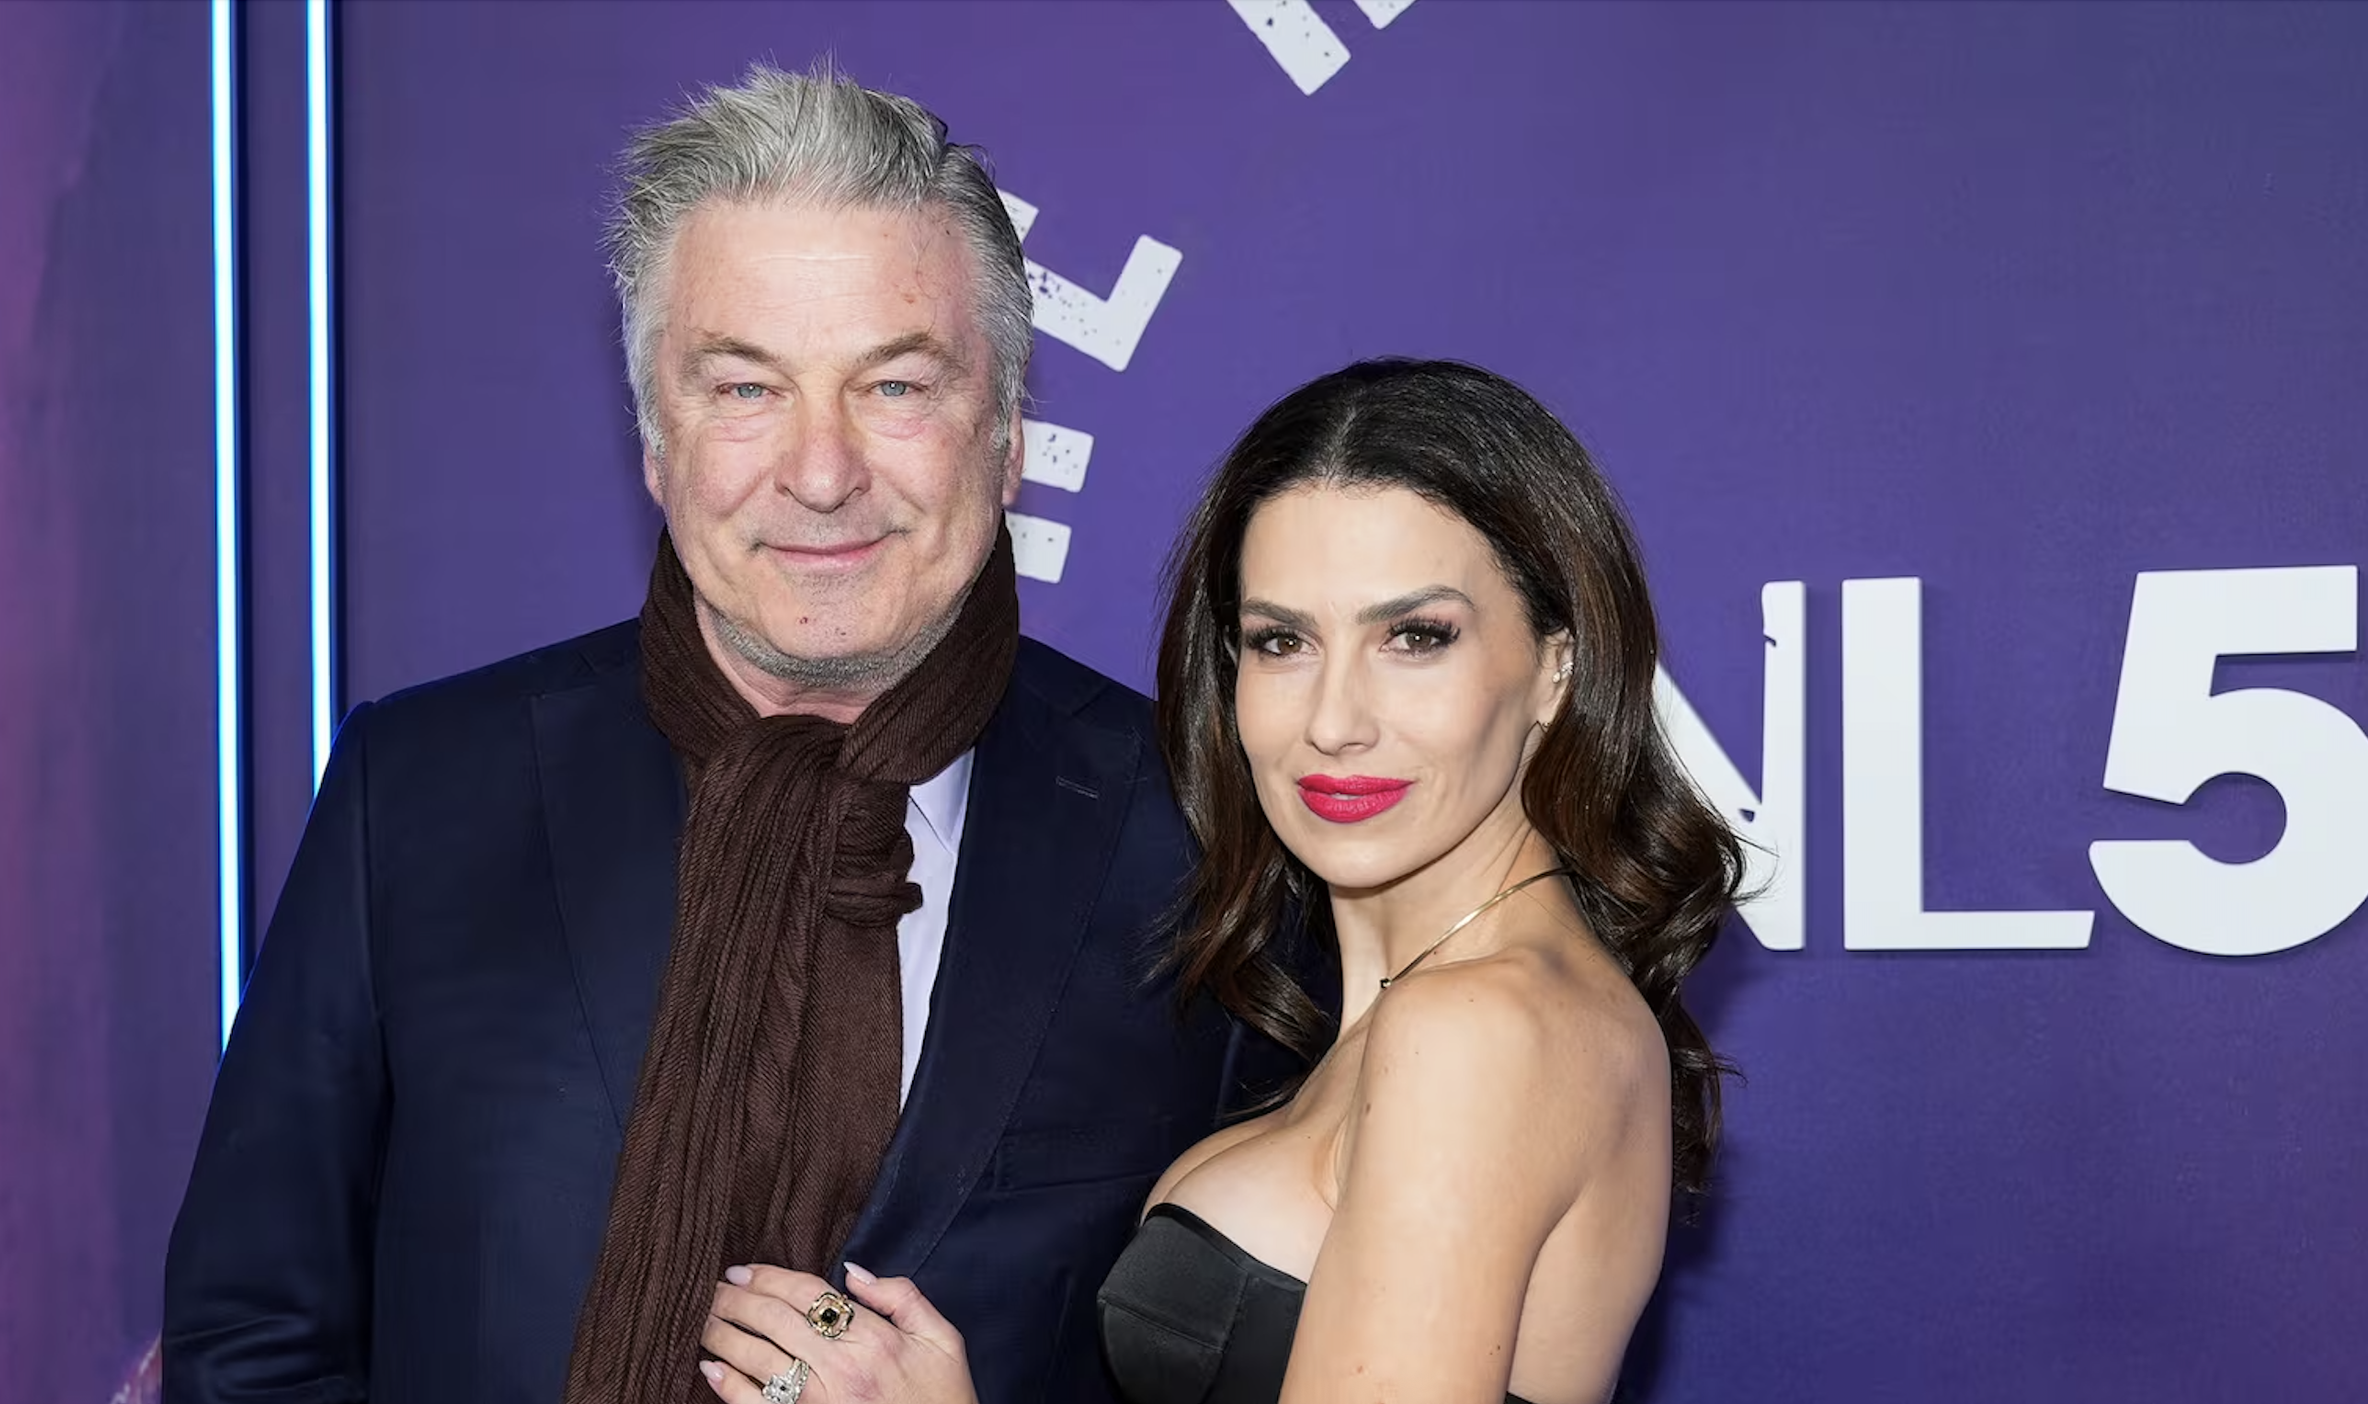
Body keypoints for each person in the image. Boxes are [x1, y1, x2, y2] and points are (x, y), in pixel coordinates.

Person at [162, 64, 1286, 1404]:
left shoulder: (1200, 832)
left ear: (1007, 441)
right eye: (745, 387)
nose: (820, 474)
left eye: (896, 386)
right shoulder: (421, 796)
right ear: (654, 438)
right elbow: (253, 1341)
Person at [1101, 358, 1746, 1403]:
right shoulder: (1449, 1006)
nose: (1333, 720)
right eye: (1281, 642)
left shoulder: (1476, 1028)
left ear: (1556, 666)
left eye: (1414, 638)